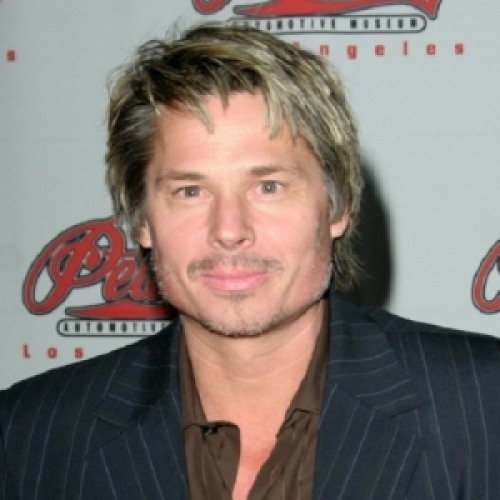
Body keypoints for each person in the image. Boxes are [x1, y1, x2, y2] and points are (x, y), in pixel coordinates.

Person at [1, 22, 499, 500]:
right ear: (141, 220)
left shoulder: (483, 406)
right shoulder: (30, 434)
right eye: (190, 191)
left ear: (338, 207)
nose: (229, 230)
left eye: (269, 186)